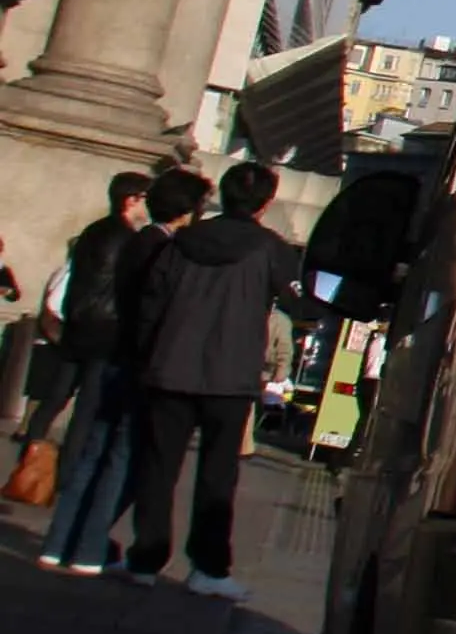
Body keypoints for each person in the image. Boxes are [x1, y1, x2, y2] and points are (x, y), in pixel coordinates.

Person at [125, 161, 319, 597]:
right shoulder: (271, 249)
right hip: (231, 375)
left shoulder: (182, 242)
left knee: (159, 467)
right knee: (218, 475)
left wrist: (148, 355)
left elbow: (151, 302)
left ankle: (145, 557)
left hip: (171, 365)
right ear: (265, 204)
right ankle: (208, 568)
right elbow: (302, 304)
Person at [41, 168, 206, 575]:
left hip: (114, 354)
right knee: (120, 457)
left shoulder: (135, 241)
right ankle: (88, 549)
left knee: (93, 451)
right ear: (186, 210)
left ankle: (58, 542)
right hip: (139, 360)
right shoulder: (166, 250)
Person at [17, 171, 147, 453]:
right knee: (87, 408)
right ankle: (66, 472)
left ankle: (29, 455)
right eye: (144, 200)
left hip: (78, 324)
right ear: (131, 200)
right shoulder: (128, 239)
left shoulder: (92, 231)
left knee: (56, 397)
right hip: (107, 330)